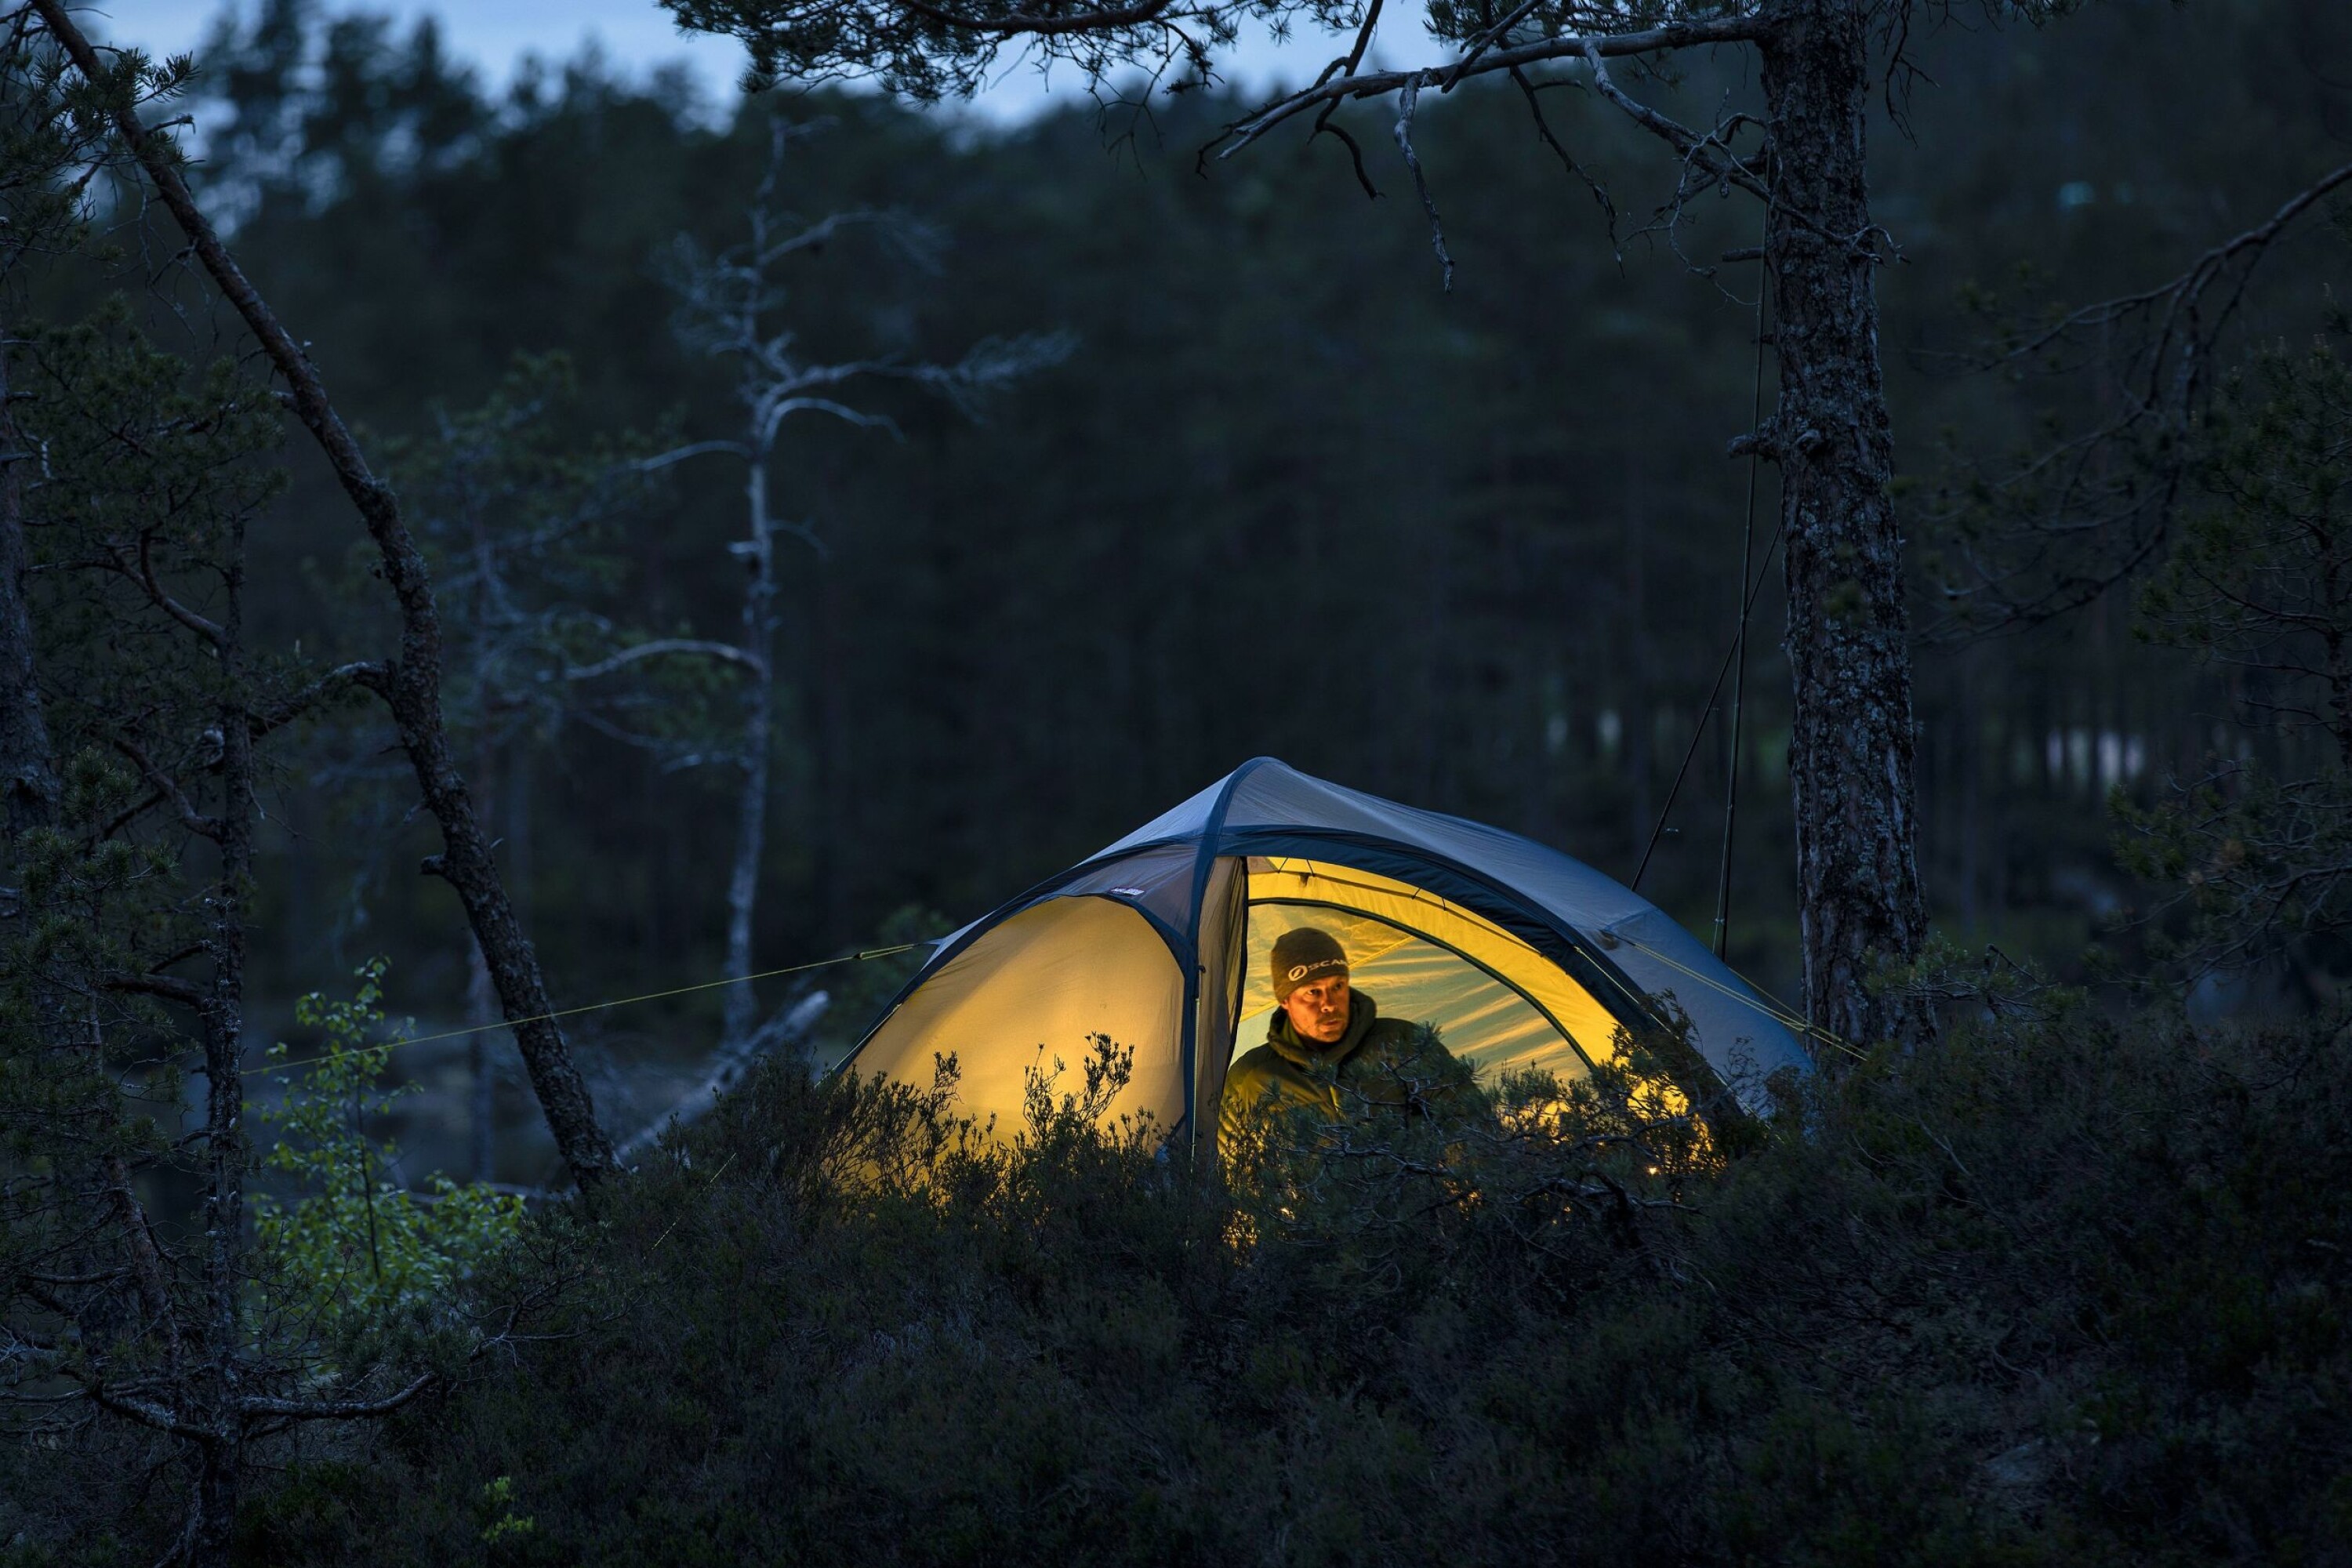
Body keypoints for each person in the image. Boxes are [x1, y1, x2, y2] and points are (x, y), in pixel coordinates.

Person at [1218, 925, 1478, 1151]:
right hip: (1313, 1208)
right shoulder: (1251, 1078)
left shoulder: (1403, 1043)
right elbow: (1225, 1169)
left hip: (1416, 1205)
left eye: (1338, 986)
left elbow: (1471, 1122)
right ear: (1285, 1000)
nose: (1329, 1004)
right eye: (1312, 992)